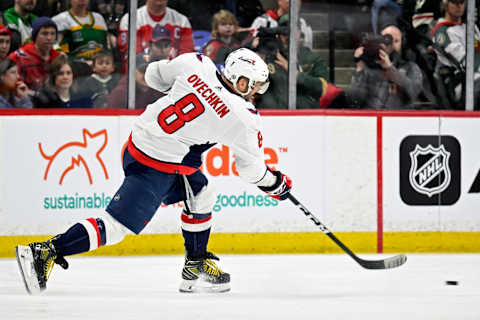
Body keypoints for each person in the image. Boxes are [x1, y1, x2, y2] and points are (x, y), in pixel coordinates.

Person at [15, 48, 292, 294]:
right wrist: (276, 184)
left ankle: (194, 265)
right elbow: (250, 170)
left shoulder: (196, 62)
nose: (256, 92)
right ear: (240, 81)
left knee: (202, 192)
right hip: (157, 165)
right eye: (254, 85)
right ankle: (45, 251)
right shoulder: (242, 116)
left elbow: (152, 76)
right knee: (116, 226)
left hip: (141, 146)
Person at [348, 24, 424, 109]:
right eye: (386, 39)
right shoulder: (369, 67)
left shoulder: (411, 67)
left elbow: (413, 93)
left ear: (402, 44)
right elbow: (354, 100)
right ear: (378, 40)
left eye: (396, 41)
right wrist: (360, 69)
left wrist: (390, 68)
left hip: (398, 119)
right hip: (371, 119)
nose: (390, 44)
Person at [117, 0, 195, 72]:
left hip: (173, 77)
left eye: (166, 45)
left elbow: (187, 56)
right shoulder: (130, 19)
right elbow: (132, 58)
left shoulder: (182, 21)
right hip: (138, 79)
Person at [430, 0, 478, 109]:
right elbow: (464, 60)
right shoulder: (441, 31)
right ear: (445, 5)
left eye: (462, 3)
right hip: (459, 82)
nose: (459, 6)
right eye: (455, 3)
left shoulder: (471, 27)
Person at [8, 16, 61, 92]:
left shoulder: (58, 57)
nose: (49, 38)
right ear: (35, 36)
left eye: (52, 34)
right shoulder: (20, 56)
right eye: (44, 34)